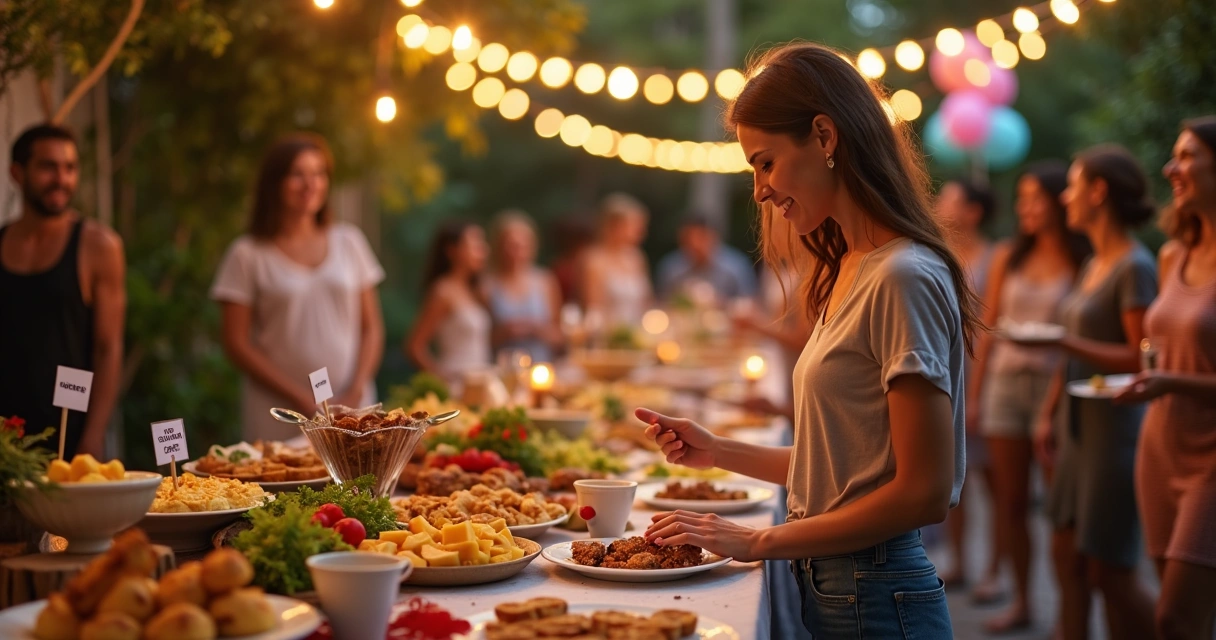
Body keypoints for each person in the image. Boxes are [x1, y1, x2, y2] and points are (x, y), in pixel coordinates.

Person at [637, 42, 980, 638]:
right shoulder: (851, 265)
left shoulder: (902, 274)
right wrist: (717, 451)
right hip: (842, 587)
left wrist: (757, 539)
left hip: (876, 594)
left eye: (765, 162)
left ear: (825, 137)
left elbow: (923, 492)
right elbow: (843, 474)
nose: (761, 191)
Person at [1016, 145, 1157, 640]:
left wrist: (1062, 339)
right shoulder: (1093, 263)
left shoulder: (1134, 266)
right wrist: (1047, 414)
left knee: (1108, 570)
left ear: (1099, 192)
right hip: (1075, 427)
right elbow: (1072, 360)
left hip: (1114, 430)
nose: (1066, 197)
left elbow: (1144, 359)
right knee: (1065, 553)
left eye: (1074, 185)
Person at [968, 161, 1090, 633]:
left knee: (1060, 507)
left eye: (1035, 198)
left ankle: (1069, 610)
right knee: (1010, 501)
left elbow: (1080, 333)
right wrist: (975, 395)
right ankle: (1023, 600)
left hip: (1055, 385)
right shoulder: (1008, 256)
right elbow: (990, 328)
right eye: (1021, 198)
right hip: (1004, 385)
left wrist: (1055, 401)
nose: (1025, 207)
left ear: (1060, 201)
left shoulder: (1083, 259)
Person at [213, 134, 385, 441]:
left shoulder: (350, 242)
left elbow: (372, 327)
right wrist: (300, 399)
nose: (310, 184)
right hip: (281, 411)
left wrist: (356, 388)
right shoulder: (247, 254)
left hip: (353, 406)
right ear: (274, 183)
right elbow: (236, 344)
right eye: (297, 174)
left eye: (318, 174)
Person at [1117, 116, 1216, 640]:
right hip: (1160, 448)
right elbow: (1158, 349)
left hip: (1211, 461)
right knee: (1185, 620)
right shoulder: (1173, 252)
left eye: (1186, 155)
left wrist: (1171, 383)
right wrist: (1155, 376)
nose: (1170, 167)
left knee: (1175, 619)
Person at [0, 124, 125, 459]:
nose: (62, 179)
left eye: (70, 168)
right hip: (5, 440)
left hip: (70, 438)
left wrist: (94, 436)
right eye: (48, 167)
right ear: (17, 172)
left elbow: (108, 347)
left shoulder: (99, 245)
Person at [933, 179, 1002, 598]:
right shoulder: (939, 254)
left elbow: (989, 327)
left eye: (951, 199)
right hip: (948, 373)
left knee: (993, 482)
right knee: (953, 474)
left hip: (980, 374)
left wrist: (977, 393)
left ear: (973, 212)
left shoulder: (995, 258)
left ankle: (995, 568)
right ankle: (959, 559)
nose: (940, 204)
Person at [406, 220, 491, 390]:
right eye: (475, 244)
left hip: (480, 384)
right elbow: (414, 346)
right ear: (452, 250)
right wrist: (440, 378)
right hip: (456, 384)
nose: (482, 251)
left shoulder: (475, 290)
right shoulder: (442, 291)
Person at [483, 210, 562, 363]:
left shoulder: (545, 281)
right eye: (511, 245)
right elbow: (476, 339)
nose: (517, 252)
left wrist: (537, 330)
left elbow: (560, 336)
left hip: (541, 367)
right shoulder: (487, 285)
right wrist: (505, 332)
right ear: (498, 246)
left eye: (522, 246)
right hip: (502, 370)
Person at [583, 193, 653, 329]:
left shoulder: (637, 258)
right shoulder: (594, 261)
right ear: (614, 226)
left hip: (638, 333)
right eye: (634, 226)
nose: (641, 232)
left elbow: (646, 303)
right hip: (607, 335)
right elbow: (594, 311)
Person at [656, 213, 757, 304]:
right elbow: (662, 302)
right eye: (688, 239)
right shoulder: (671, 267)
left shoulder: (735, 265)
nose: (695, 244)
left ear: (714, 237)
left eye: (701, 238)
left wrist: (721, 302)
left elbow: (748, 302)